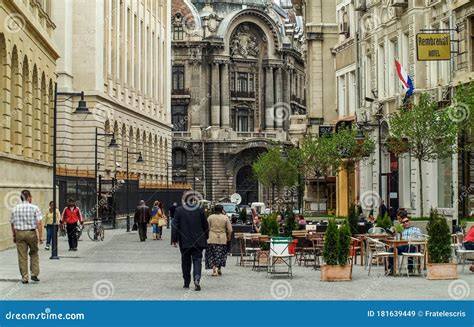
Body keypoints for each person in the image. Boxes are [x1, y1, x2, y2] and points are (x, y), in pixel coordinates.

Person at [171, 205, 209, 291]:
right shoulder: (200, 210)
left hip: (184, 241)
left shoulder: (179, 210)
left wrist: (174, 239)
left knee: (185, 262)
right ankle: (197, 279)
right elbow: (205, 225)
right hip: (198, 241)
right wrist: (206, 237)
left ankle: (186, 282)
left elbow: (175, 225)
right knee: (197, 260)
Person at [10, 190, 43, 284]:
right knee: (34, 253)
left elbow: (12, 224)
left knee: (22, 256)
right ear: (28, 197)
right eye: (31, 196)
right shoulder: (34, 208)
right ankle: (34, 274)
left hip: (19, 233)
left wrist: (14, 235)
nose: (31, 198)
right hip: (31, 233)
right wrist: (40, 236)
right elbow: (39, 223)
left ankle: (24, 277)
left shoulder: (15, 208)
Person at [205, 205, 233, 276]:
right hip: (222, 238)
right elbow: (229, 229)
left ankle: (214, 269)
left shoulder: (210, 217)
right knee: (220, 254)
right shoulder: (225, 218)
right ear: (222, 210)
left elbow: (206, 228)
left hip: (211, 238)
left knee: (212, 254)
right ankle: (219, 268)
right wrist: (229, 236)